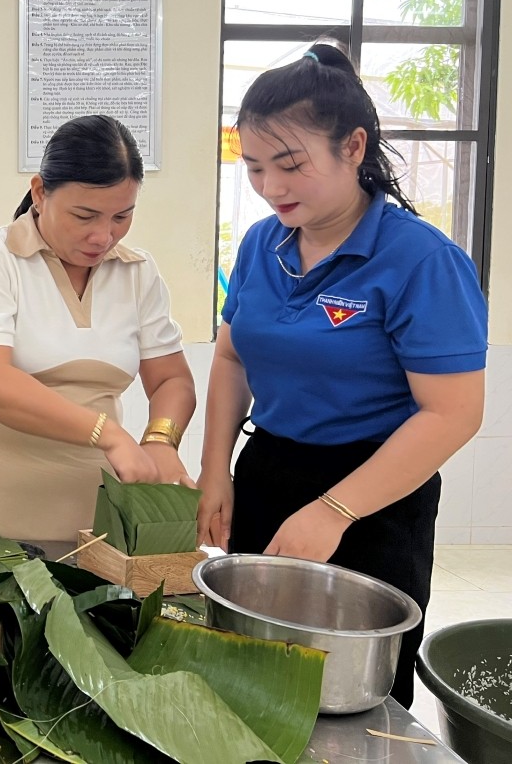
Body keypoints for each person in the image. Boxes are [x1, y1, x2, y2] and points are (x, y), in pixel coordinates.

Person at [197, 41, 487, 708]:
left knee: (350, 694)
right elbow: (232, 357)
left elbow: (453, 413)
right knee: (251, 669)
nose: (271, 187)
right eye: (255, 167)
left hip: (373, 496)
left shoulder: (420, 260)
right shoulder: (261, 244)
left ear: (353, 147)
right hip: (268, 471)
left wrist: (335, 510)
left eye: (291, 165)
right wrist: (215, 470)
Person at [0, 114, 197, 542]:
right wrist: (107, 434)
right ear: (40, 193)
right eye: (85, 215)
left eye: (121, 217)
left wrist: (160, 440)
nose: (103, 236)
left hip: (95, 512)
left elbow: (171, 378)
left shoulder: (137, 273)